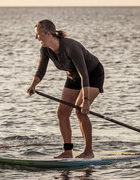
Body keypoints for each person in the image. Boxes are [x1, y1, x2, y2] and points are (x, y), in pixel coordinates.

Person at [26, 19, 104, 159]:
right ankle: (67, 151)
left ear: (48, 34)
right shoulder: (45, 50)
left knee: (80, 111)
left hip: (92, 74)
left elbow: (84, 75)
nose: (36, 38)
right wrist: (33, 85)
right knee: (62, 112)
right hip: (73, 77)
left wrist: (85, 101)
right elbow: (40, 71)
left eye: (38, 35)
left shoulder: (71, 46)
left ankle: (88, 151)